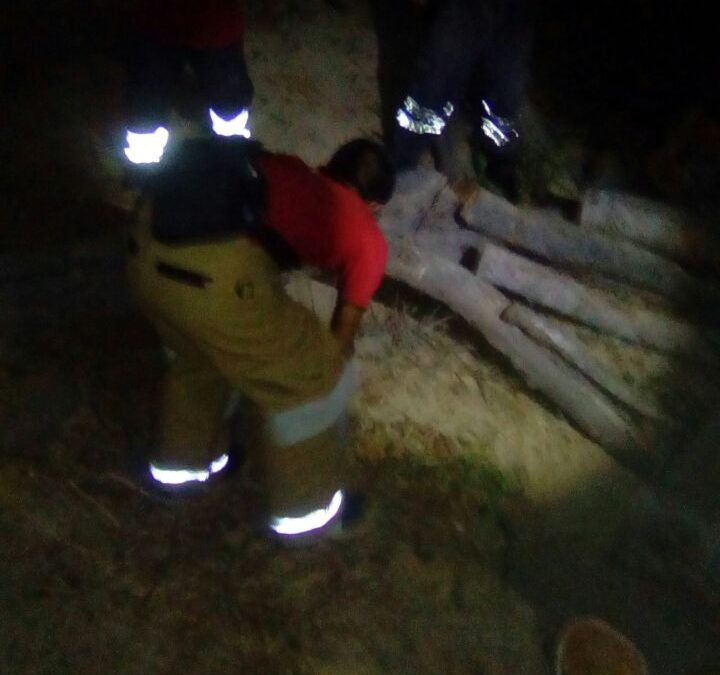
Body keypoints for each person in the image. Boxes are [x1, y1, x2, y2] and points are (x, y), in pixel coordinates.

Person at [125, 136, 395, 541]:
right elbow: (341, 338)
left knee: (198, 359)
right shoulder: (367, 237)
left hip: (143, 247)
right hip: (210, 278)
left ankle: (183, 470)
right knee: (313, 376)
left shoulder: (288, 168)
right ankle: (311, 514)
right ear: (375, 206)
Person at [374, 0, 534, 200]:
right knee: (437, 80)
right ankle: (403, 154)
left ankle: (500, 158)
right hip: (466, 7)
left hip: (516, 11)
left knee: (508, 90)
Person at [118, 0, 254, 166]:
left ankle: (233, 152)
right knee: (145, 107)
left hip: (213, 23)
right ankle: (144, 164)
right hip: (156, 25)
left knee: (228, 100)